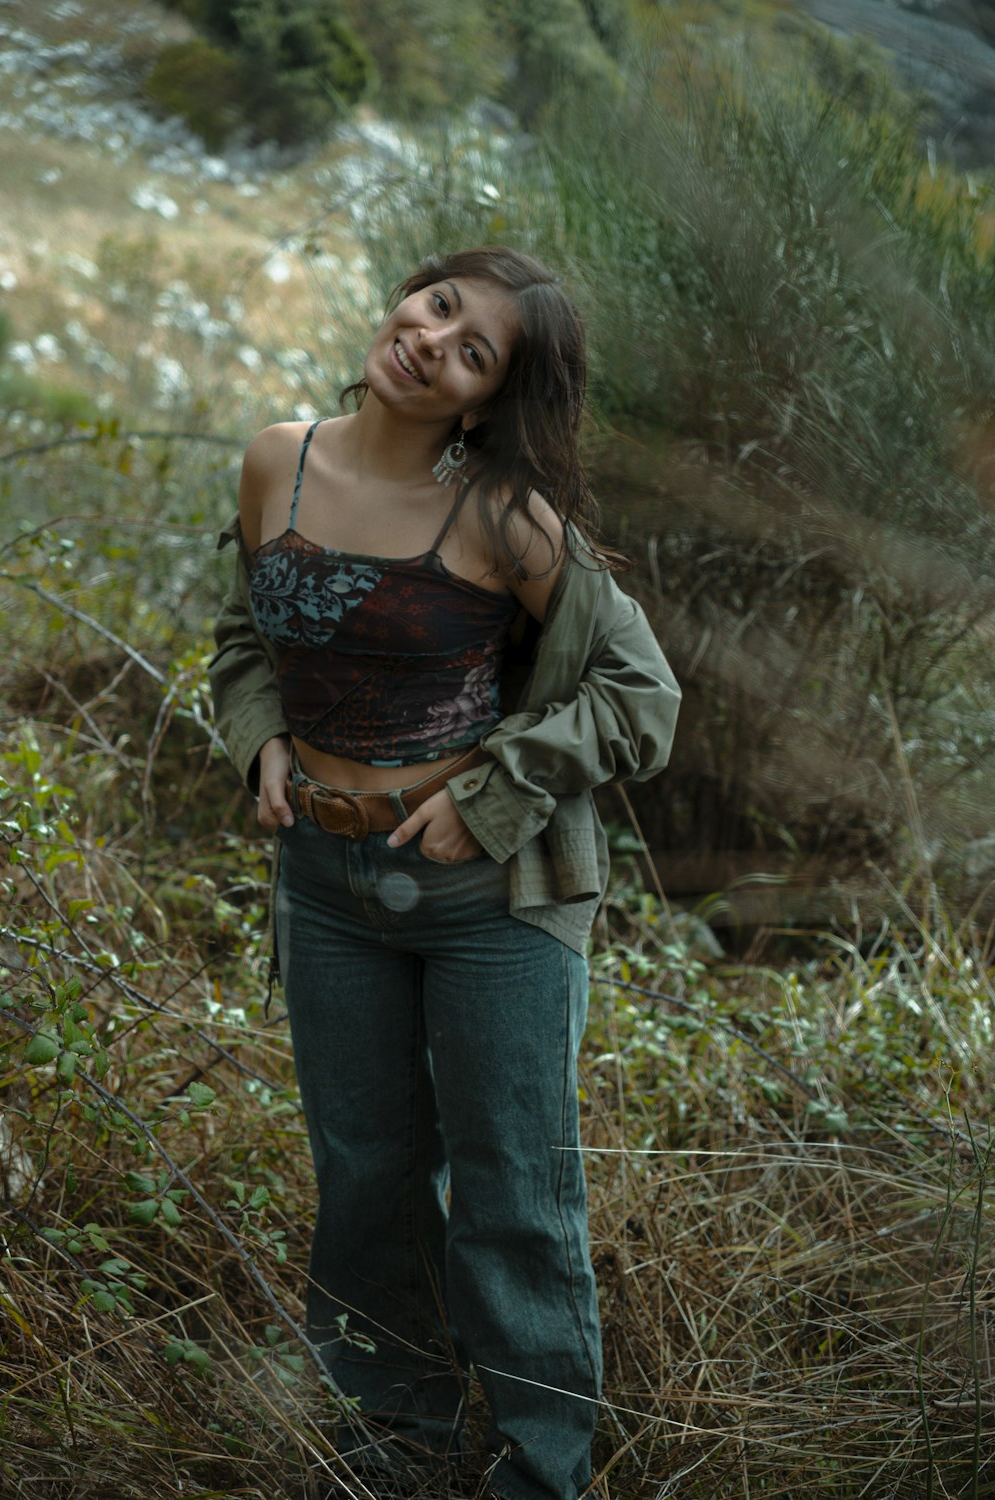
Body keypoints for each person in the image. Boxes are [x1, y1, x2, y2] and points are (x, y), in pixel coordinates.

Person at [209, 246, 681, 1500]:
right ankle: (392, 1445)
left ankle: (539, 1470)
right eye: (437, 308)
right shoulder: (277, 457)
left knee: (512, 1192)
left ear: (482, 402)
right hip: (325, 884)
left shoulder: (503, 517)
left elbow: (644, 697)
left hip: (490, 905)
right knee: (365, 1181)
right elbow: (243, 635)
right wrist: (256, 736)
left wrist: (493, 793)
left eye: (473, 352)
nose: (431, 341)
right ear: (405, 300)